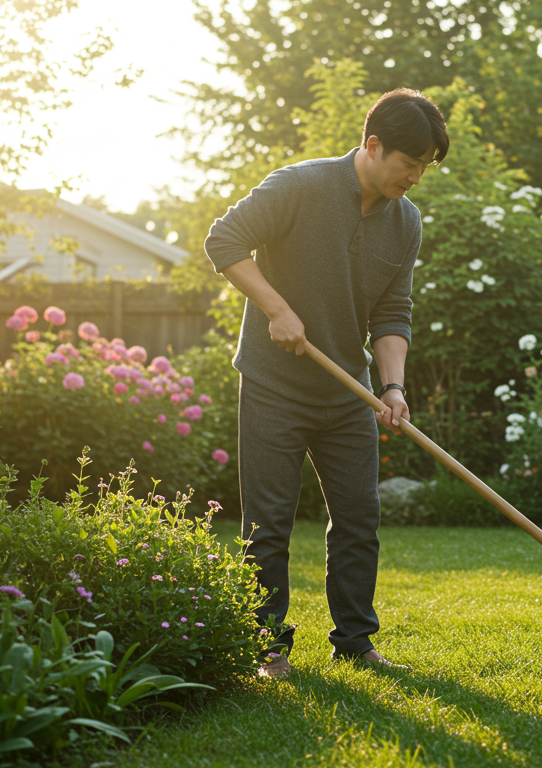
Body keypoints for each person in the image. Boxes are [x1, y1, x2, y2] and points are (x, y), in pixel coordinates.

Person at [204, 89, 448, 679]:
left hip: (348, 393)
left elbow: (393, 311)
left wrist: (392, 388)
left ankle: (355, 641)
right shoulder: (299, 185)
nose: (415, 177)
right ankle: (265, 644)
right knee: (268, 524)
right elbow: (224, 240)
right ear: (372, 146)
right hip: (273, 384)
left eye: (424, 168)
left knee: (359, 520)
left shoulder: (405, 221)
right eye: (408, 163)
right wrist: (275, 309)